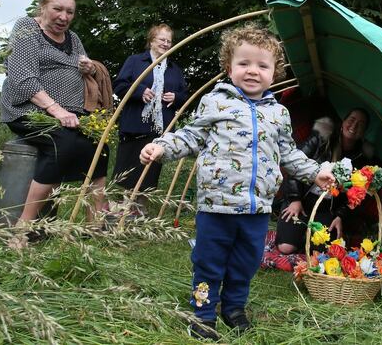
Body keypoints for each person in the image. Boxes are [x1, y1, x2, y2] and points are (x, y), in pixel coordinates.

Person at [139, 24, 335, 340]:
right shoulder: (216, 102)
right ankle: (202, 315)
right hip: (217, 206)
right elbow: (191, 135)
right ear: (229, 68)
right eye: (244, 63)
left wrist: (314, 172)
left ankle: (233, 308)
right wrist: (162, 146)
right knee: (208, 264)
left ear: (275, 73)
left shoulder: (279, 114)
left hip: (257, 209)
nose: (252, 71)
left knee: (245, 264)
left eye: (262, 65)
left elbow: (288, 153)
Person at [0, 0, 110, 230]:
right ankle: (23, 227)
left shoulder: (74, 38)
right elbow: (22, 77)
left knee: (99, 147)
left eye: (70, 12)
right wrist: (57, 110)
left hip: (69, 113)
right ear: (43, 7)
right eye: (57, 9)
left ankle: (94, 226)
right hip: (28, 109)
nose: (64, 17)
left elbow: (85, 66)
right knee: (63, 144)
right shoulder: (27, 28)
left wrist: (89, 68)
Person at [275, 108, 382, 256]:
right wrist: (294, 199)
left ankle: (306, 236)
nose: (354, 126)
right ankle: (299, 234)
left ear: (363, 132)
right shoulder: (320, 140)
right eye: (351, 120)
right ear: (343, 122)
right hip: (301, 201)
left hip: (327, 210)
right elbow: (295, 165)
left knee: (323, 253)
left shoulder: (362, 159)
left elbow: (357, 196)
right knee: (286, 248)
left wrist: (340, 216)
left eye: (360, 124)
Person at [113, 24, 188, 213]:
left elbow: (184, 95)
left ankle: (141, 209)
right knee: (131, 165)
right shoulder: (136, 61)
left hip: (159, 127)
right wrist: (139, 91)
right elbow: (120, 86)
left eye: (169, 41)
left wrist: (176, 97)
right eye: (162, 39)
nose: (165, 43)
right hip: (135, 124)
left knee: (151, 167)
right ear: (151, 40)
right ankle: (126, 206)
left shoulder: (174, 69)